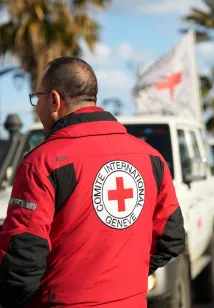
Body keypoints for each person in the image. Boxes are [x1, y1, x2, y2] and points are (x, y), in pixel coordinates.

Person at [0, 57, 185, 308]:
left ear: (54, 100)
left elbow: (22, 258)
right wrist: (125, 278)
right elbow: (171, 237)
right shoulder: (151, 157)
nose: (37, 106)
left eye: (37, 98)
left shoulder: (43, 162)